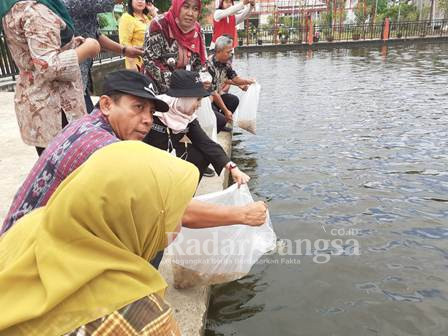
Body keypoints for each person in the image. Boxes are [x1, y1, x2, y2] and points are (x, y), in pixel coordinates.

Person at [1, 70, 267, 242]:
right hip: (27, 253)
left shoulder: (90, 126)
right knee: (159, 228)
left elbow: (205, 146)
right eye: (137, 107)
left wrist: (229, 167)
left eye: (150, 111)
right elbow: (172, 210)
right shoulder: (102, 147)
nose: (146, 120)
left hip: (36, 236)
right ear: (106, 104)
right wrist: (241, 215)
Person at [0, 141, 197, 335]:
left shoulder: (31, 224)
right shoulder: (143, 319)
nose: (178, 223)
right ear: (140, 218)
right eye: (175, 213)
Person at [0, 0, 101, 155]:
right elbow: (48, 66)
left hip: (39, 103)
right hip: (56, 107)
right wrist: (88, 49)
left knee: (53, 167)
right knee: (70, 167)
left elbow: (35, 49)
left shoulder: (15, 6)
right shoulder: (35, 10)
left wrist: (74, 44)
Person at [144, 69, 250, 182]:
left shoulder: (187, 116)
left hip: (170, 154)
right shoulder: (153, 112)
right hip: (148, 162)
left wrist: (232, 167)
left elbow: (206, 143)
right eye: (198, 99)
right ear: (183, 97)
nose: (199, 105)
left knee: (200, 155)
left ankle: (186, 194)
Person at [62, 0, 143, 113]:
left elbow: (95, 34)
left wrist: (124, 50)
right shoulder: (73, 3)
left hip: (80, 81)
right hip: (65, 85)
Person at [142, 0, 207, 94]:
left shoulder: (197, 29)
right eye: (186, 7)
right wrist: (177, 83)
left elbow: (200, 62)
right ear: (177, 6)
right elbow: (150, 60)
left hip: (185, 86)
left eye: (195, 9)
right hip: (157, 88)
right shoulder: (159, 25)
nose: (190, 13)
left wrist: (201, 79)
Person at [208, 35, 255, 132]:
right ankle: (216, 126)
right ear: (219, 51)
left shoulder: (226, 63)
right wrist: (225, 111)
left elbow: (234, 78)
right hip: (208, 99)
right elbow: (213, 92)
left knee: (233, 100)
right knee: (219, 116)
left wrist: (246, 82)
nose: (230, 55)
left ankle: (220, 125)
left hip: (216, 95)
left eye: (231, 52)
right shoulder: (209, 65)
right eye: (228, 52)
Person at [119, 0, 153, 70]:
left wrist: (154, 13)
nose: (140, 1)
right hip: (138, 64)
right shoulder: (127, 18)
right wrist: (133, 66)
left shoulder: (148, 17)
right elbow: (124, 43)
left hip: (152, 64)